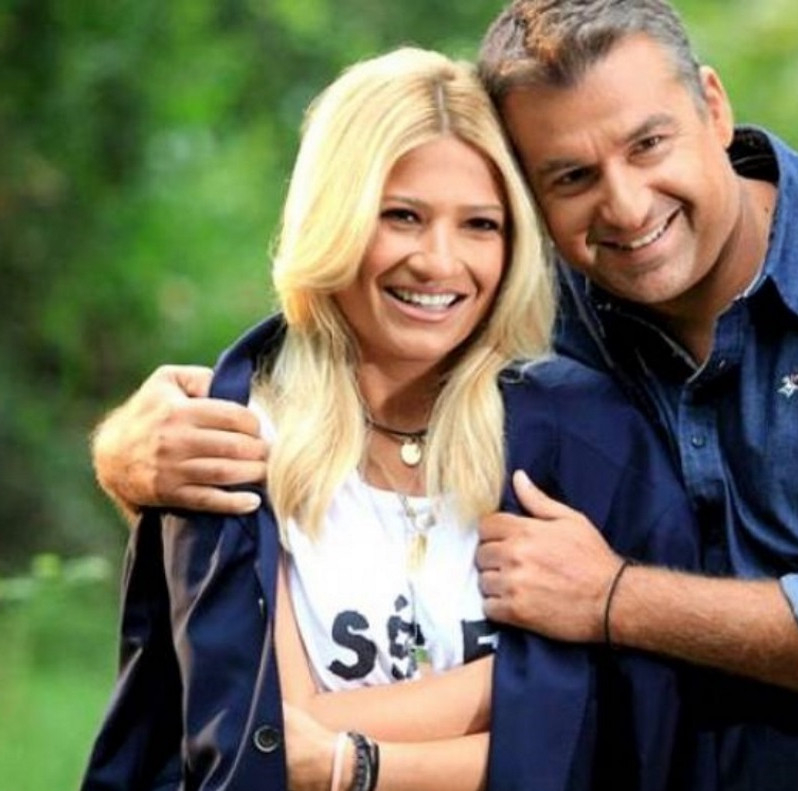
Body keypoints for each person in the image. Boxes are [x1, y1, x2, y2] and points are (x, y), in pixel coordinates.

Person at [90, 2, 798, 789]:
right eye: (569, 176)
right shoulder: (545, 315)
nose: (624, 203)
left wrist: (611, 598)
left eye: (648, 144)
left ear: (712, 106)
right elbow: (373, 301)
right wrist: (132, 459)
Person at [81, 45, 700, 791]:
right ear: (336, 217)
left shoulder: (586, 442)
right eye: (402, 216)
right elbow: (261, 741)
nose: (440, 262)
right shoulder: (233, 440)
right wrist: (547, 690)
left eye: (480, 225)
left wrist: (352, 761)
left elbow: (636, 739)